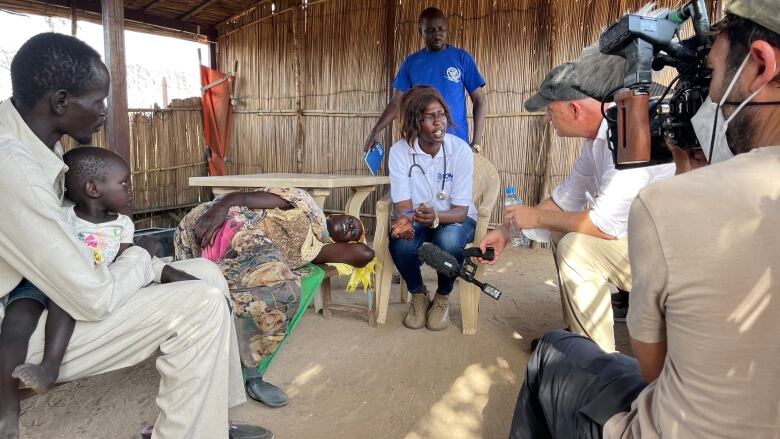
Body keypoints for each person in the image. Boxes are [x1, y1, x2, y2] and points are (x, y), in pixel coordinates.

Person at [508, 1, 780, 437]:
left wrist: (689, 184)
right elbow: (562, 202)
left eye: (710, 75)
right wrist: (511, 228)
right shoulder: (601, 143)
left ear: (762, 64)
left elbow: (656, 371)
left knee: (559, 330)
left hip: (673, 417)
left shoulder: (666, 194)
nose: (708, 97)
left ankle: (596, 359)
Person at [0, 33, 269, 439]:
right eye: (98, 100)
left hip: (46, 295)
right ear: (60, 102)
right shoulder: (12, 166)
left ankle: (212, 421)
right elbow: (91, 297)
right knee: (199, 303)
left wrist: (143, 262)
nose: (105, 111)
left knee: (206, 274)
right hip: (16, 329)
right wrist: (142, 258)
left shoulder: (38, 142)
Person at [478, 49, 675, 352]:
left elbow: (604, 225)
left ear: (574, 109)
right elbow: (566, 198)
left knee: (576, 247)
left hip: (672, 261)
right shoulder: (598, 137)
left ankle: (599, 368)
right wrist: (507, 233)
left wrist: (538, 217)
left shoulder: (626, 133)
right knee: (563, 231)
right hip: (645, 244)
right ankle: (580, 334)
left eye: (550, 110)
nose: (546, 118)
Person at [175, 187, 376, 407]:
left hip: (249, 261)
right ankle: (246, 375)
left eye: (354, 232)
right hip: (223, 224)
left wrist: (357, 242)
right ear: (336, 213)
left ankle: (250, 372)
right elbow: (244, 198)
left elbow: (366, 254)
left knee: (282, 292)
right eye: (350, 219)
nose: (351, 225)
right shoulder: (303, 204)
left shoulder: (316, 250)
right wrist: (220, 207)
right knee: (261, 281)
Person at [388, 85, 476, 331]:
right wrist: (405, 222)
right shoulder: (399, 152)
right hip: (419, 218)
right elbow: (403, 206)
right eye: (429, 117)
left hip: (456, 218)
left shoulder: (459, 150)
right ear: (415, 122)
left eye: (441, 114)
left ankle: (442, 297)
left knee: (448, 241)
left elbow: (460, 210)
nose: (439, 122)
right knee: (400, 243)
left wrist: (437, 216)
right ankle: (418, 294)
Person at [363, 7, 487, 154]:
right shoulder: (411, 63)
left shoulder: (462, 58)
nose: (437, 34)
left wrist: (476, 143)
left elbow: (479, 101)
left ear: (446, 28)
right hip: (421, 144)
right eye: (430, 30)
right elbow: (396, 102)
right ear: (420, 31)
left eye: (441, 29)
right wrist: (376, 130)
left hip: (456, 144)